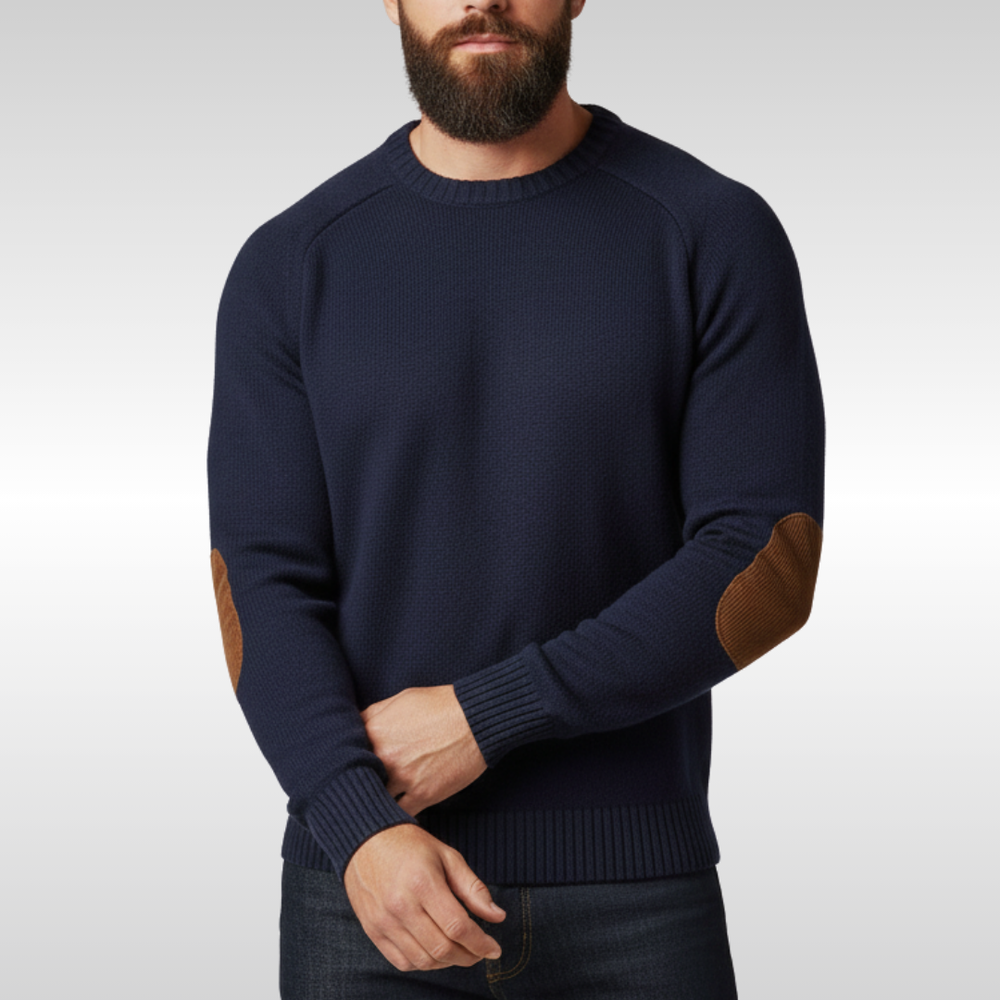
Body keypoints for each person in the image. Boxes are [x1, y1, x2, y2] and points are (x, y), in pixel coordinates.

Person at [206, 0, 825, 996]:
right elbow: (262, 584)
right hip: (369, 893)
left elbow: (764, 560)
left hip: (635, 896)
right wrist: (358, 825)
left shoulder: (709, 229)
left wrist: (486, 715)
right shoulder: (292, 261)